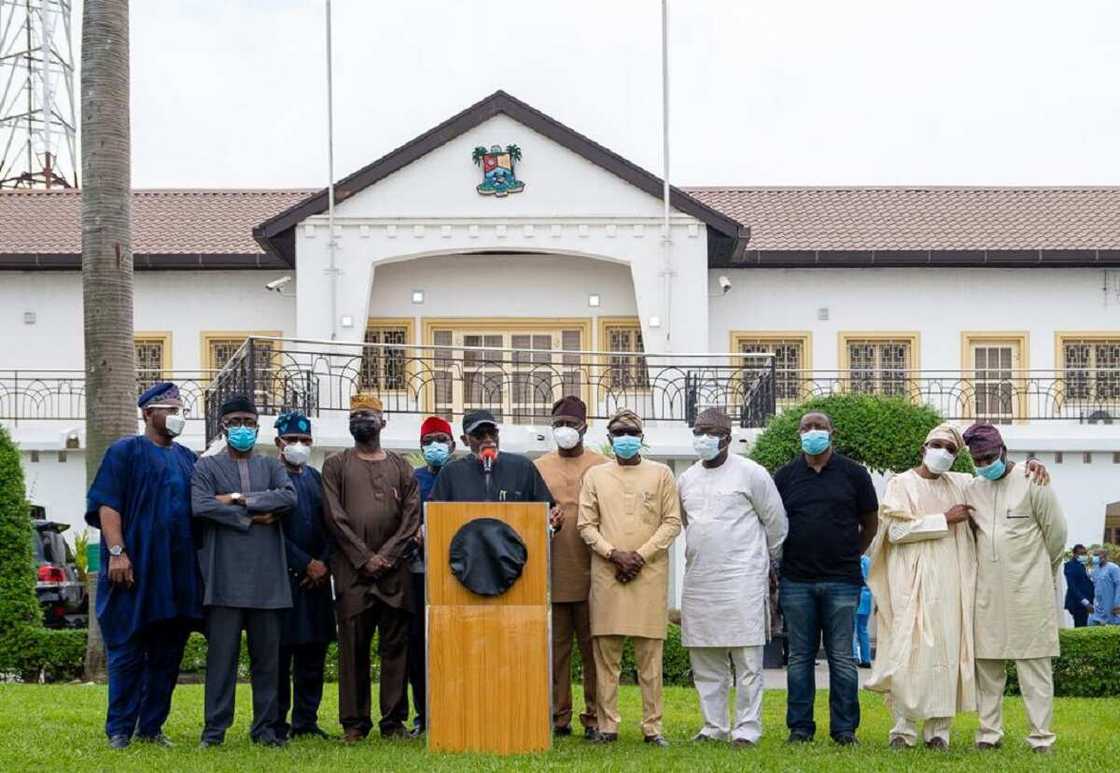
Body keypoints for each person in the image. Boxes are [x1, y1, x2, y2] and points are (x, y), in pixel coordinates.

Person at [85, 382, 204, 750]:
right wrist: (117, 551)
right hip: (133, 572)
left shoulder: (188, 458)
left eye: (180, 408)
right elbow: (107, 504)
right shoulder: (126, 451)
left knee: (168, 655)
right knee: (127, 652)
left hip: (177, 575)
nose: (176, 416)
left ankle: (151, 728)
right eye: (170, 408)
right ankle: (119, 729)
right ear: (148, 413)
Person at [191, 395, 297, 748]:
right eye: (235, 421)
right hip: (224, 579)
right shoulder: (206, 467)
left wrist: (235, 499)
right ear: (223, 426)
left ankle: (265, 730)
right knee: (222, 661)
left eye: (249, 422)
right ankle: (214, 731)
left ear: (257, 426)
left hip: (268, 580)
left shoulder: (272, 465)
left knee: (268, 661)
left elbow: (287, 497)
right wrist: (253, 513)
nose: (242, 428)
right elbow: (201, 504)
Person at [677, 408, 787, 749]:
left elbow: (776, 524)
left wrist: (766, 566)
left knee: (747, 661)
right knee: (705, 659)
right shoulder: (686, 479)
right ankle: (714, 726)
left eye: (710, 432)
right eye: (698, 431)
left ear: (727, 437)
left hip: (743, 578)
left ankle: (747, 729)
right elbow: (686, 523)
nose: (703, 438)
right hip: (700, 579)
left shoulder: (751, 473)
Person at [865, 423, 977, 750]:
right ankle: (902, 730)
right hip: (909, 584)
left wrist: (1028, 467)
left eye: (951, 449)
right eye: (937, 445)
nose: (943, 452)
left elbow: (996, 479)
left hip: (951, 584)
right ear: (923, 448)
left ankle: (938, 732)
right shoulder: (901, 484)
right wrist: (944, 519)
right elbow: (896, 533)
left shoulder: (961, 484)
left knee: (945, 651)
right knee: (907, 653)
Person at [578, 409, 682, 747]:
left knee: (650, 659)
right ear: (610, 439)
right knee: (606, 657)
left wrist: (639, 555)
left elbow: (671, 522)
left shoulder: (661, 473)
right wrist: (614, 554)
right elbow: (585, 525)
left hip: (648, 575)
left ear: (641, 436)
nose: (625, 438)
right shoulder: (595, 475)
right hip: (607, 574)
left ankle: (653, 728)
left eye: (631, 432)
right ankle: (608, 726)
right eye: (619, 433)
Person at [774, 411, 878, 745]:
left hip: (842, 581)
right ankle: (800, 728)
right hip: (796, 581)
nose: (813, 432)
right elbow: (776, 525)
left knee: (842, 658)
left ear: (832, 432)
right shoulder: (785, 476)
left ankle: (844, 729)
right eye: (807, 428)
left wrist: (851, 554)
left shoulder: (854, 474)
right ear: (798, 434)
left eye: (819, 427)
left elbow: (870, 522)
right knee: (800, 658)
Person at [321, 393, 421, 743]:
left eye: (368, 415)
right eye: (355, 416)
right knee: (353, 648)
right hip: (352, 572)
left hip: (396, 573)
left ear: (383, 421)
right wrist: (365, 557)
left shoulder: (402, 466)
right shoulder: (335, 465)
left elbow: (412, 516)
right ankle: (354, 723)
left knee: (396, 648)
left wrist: (388, 556)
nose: (361, 421)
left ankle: (393, 722)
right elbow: (334, 516)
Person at [963, 423, 1066, 754]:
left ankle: (1041, 738)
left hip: (1029, 592)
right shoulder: (972, 489)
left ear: (1004, 450)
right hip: (986, 594)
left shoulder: (1032, 479)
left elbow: (1056, 536)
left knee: (1034, 667)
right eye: (978, 459)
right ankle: (988, 734)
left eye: (990, 456)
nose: (984, 463)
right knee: (988, 668)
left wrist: (1040, 574)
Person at [533, 396, 609, 739]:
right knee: (556, 651)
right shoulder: (536, 467)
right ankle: (557, 716)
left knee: (594, 652)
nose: (565, 432)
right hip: (553, 574)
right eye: (559, 425)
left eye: (571, 425)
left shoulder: (603, 465)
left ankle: (595, 718)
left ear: (585, 428)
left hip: (595, 573)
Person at [271, 411, 335, 741]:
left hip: (318, 581)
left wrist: (321, 564)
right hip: (283, 580)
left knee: (314, 653)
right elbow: (270, 533)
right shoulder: (269, 477)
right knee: (281, 656)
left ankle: (306, 721)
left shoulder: (316, 477)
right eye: (293, 440)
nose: (299, 446)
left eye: (305, 441)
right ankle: (277, 722)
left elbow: (331, 525)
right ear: (278, 442)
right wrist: (303, 563)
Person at [399, 415, 456, 736]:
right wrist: (414, 533)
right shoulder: (413, 479)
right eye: (428, 442)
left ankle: (452, 711)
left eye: (441, 440)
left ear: (453, 444)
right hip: (419, 574)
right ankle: (423, 715)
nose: (435, 447)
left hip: (456, 577)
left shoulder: (465, 476)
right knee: (419, 646)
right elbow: (400, 519)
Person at [429, 408, 553, 504]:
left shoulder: (523, 467)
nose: (488, 440)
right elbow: (435, 514)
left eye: (492, 433)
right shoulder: (451, 473)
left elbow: (546, 510)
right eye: (479, 435)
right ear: (465, 440)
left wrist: (554, 516)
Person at [1064, 544, 1094, 628]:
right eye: (1081, 554)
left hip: (1089, 602)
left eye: (1085, 553)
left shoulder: (1084, 565)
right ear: (1074, 554)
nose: (1083, 556)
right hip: (1078, 603)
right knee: (1081, 628)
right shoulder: (1070, 565)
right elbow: (1072, 586)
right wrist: (1086, 603)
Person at [1088, 549, 1120, 625]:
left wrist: (1117, 603)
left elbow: (1119, 585)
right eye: (1094, 555)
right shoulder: (1095, 570)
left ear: (1104, 556)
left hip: (1111, 603)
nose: (1095, 557)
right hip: (1098, 604)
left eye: (1097, 555)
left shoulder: (1114, 568)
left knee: (1113, 624)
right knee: (1092, 624)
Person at [853, 555, 872, 669]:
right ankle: (866, 659)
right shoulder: (868, 561)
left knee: (852, 630)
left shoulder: (853, 559)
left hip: (855, 596)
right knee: (863, 630)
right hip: (866, 597)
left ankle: (854, 657)